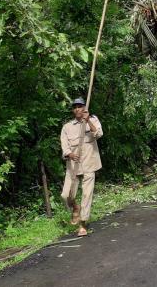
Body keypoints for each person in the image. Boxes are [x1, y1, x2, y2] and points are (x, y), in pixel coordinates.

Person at [60, 97, 103, 236]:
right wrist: (70, 154)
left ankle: (83, 224)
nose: (77, 109)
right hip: (73, 166)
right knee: (66, 195)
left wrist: (88, 120)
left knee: (86, 194)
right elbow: (65, 147)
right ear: (73, 110)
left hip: (89, 163)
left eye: (80, 106)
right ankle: (75, 208)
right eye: (75, 107)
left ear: (85, 107)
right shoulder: (67, 127)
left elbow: (98, 134)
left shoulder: (93, 120)